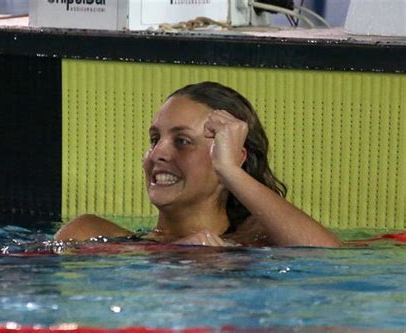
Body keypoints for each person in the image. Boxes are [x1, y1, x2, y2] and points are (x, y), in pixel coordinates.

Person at [55, 81, 340, 247]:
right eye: (155, 138)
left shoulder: (258, 242)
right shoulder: (89, 234)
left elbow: (330, 262)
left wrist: (229, 171)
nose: (157, 154)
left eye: (182, 141)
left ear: (231, 157)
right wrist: (177, 255)